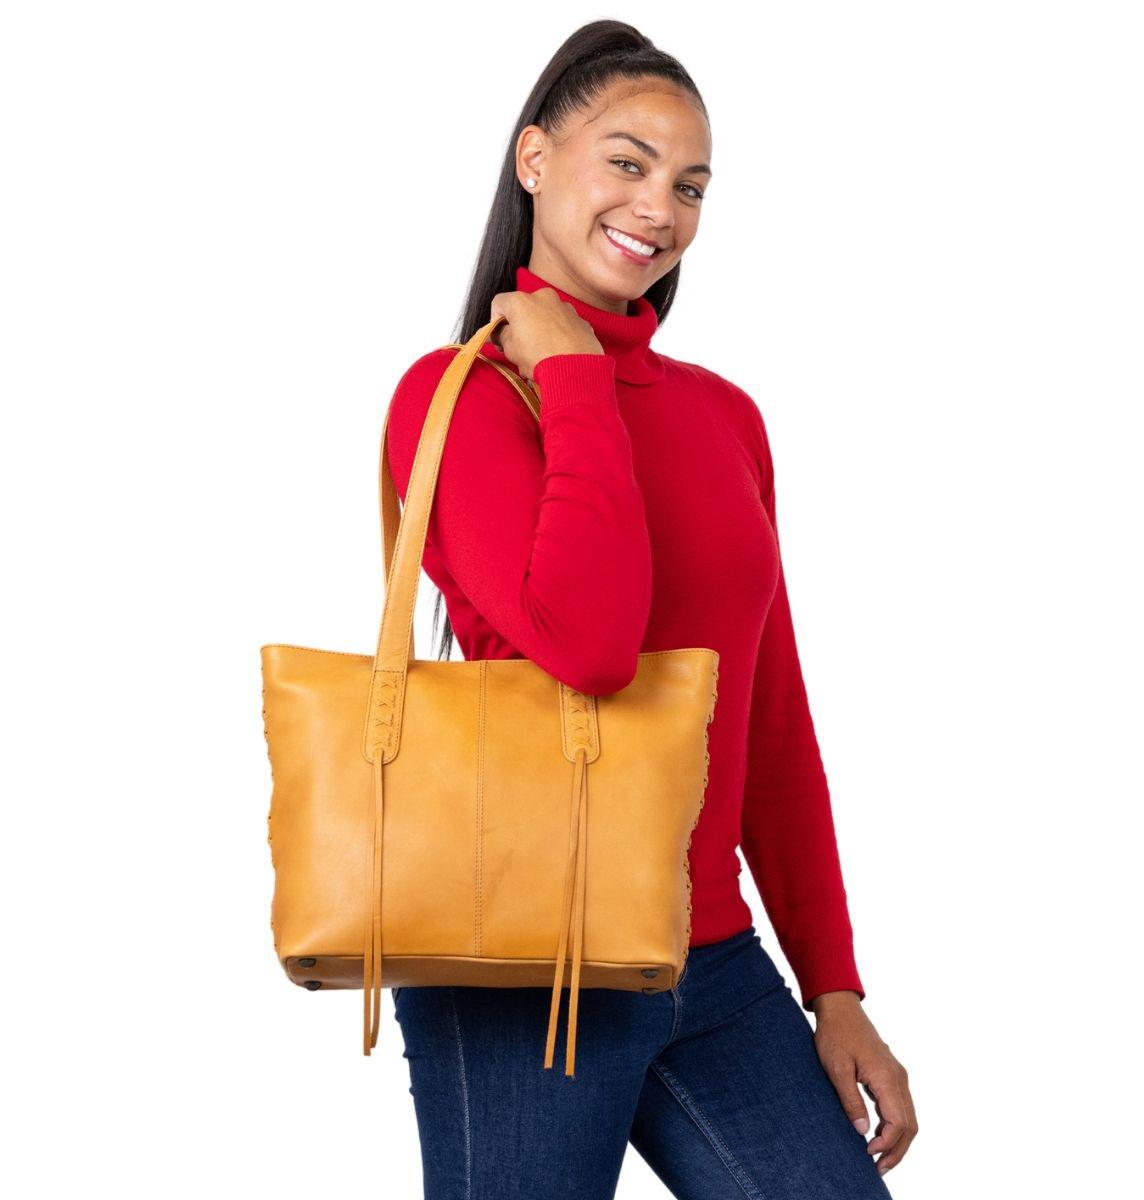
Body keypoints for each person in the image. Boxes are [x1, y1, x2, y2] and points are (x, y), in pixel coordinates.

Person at [381, 19, 917, 1200]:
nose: (660, 208)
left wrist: (834, 989)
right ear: (534, 160)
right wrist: (573, 372)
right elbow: (590, 647)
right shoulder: (458, 399)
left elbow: (770, 721)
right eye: (627, 163)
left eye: (690, 185)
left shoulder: (725, 418)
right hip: (523, 967)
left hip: (713, 958)